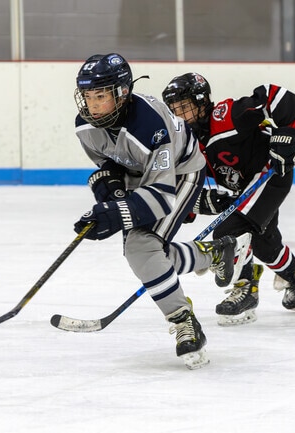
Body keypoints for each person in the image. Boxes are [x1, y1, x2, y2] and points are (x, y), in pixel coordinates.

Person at [71, 53, 251, 369]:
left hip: (181, 172)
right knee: (150, 254)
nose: (92, 105)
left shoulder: (150, 126)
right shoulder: (85, 126)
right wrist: (108, 190)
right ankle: (214, 254)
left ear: (122, 92)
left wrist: (115, 213)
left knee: (141, 246)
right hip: (143, 172)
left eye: (100, 96)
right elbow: (109, 165)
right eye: (87, 96)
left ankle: (184, 322)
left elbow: (161, 194)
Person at [162, 72, 295, 326]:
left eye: (185, 107)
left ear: (202, 101)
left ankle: (246, 289)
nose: (180, 114)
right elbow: (185, 181)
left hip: (270, 174)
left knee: (228, 233)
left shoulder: (227, 115)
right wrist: (193, 206)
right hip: (245, 188)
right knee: (263, 242)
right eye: (175, 109)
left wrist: (285, 137)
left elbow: (278, 96)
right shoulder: (188, 141)